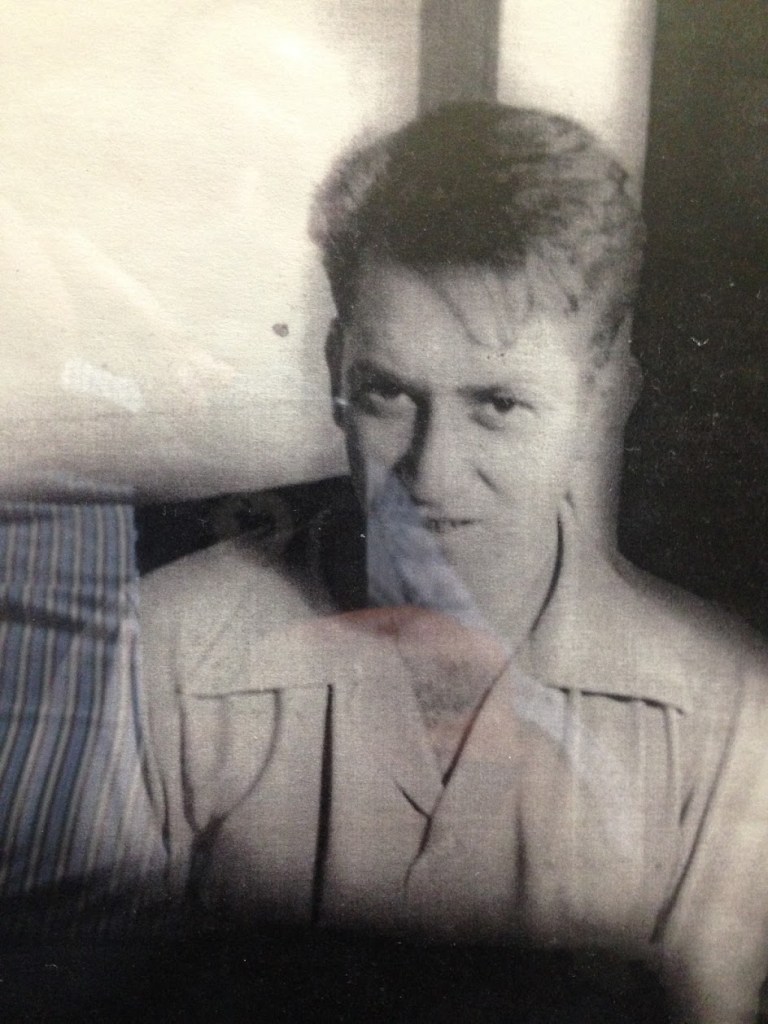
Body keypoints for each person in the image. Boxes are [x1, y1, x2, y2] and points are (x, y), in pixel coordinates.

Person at [141, 103, 768, 1022]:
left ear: (602, 399)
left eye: (499, 405)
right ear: (334, 371)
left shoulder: (728, 716)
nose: (430, 475)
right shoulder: (155, 655)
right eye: (390, 394)